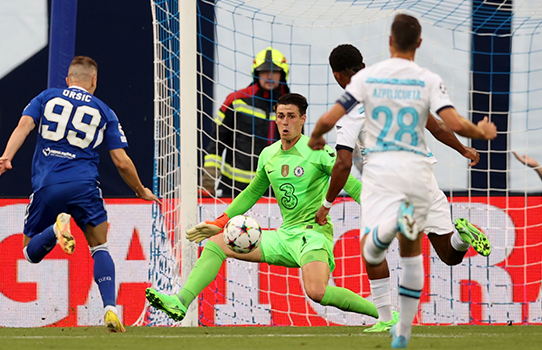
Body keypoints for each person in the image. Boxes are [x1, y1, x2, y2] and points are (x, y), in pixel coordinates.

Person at [309, 14, 493, 348]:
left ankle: (386, 319)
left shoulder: (353, 101)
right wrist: (464, 148)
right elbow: (436, 126)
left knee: (371, 250)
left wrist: (325, 204)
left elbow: (343, 163)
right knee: (449, 254)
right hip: (423, 175)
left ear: (337, 75)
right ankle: (462, 238)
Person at [146, 93, 379, 322]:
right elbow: (252, 192)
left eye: (291, 116)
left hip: (313, 235)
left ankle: (384, 314)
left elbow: (353, 185)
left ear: (303, 119)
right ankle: (180, 301)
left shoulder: (319, 152)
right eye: (280, 116)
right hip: (285, 235)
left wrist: (378, 213)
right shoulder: (269, 155)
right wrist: (220, 221)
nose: (285, 122)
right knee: (216, 244)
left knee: (317, 292)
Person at [0, 56, 161, 332]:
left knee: (29, 252)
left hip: (47, 186)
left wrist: (5, 157)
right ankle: (110, 307)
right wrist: (140, 190)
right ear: (94, 82)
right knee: (99, 247)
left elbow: (23, 127)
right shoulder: (104, 111)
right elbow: (121, 161)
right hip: (85, 187)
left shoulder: (46, 98)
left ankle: (54, 230)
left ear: (68, 79)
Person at [202, 47, 291, 198]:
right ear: (256, 74)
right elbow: (217, 144)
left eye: (274, 72)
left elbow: (296, 151)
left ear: (282, 75)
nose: (269, 76)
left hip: (275, 191)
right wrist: (207, 183)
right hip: (234, 189)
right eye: (264, 72)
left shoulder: (291, 106)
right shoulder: (236, 100)